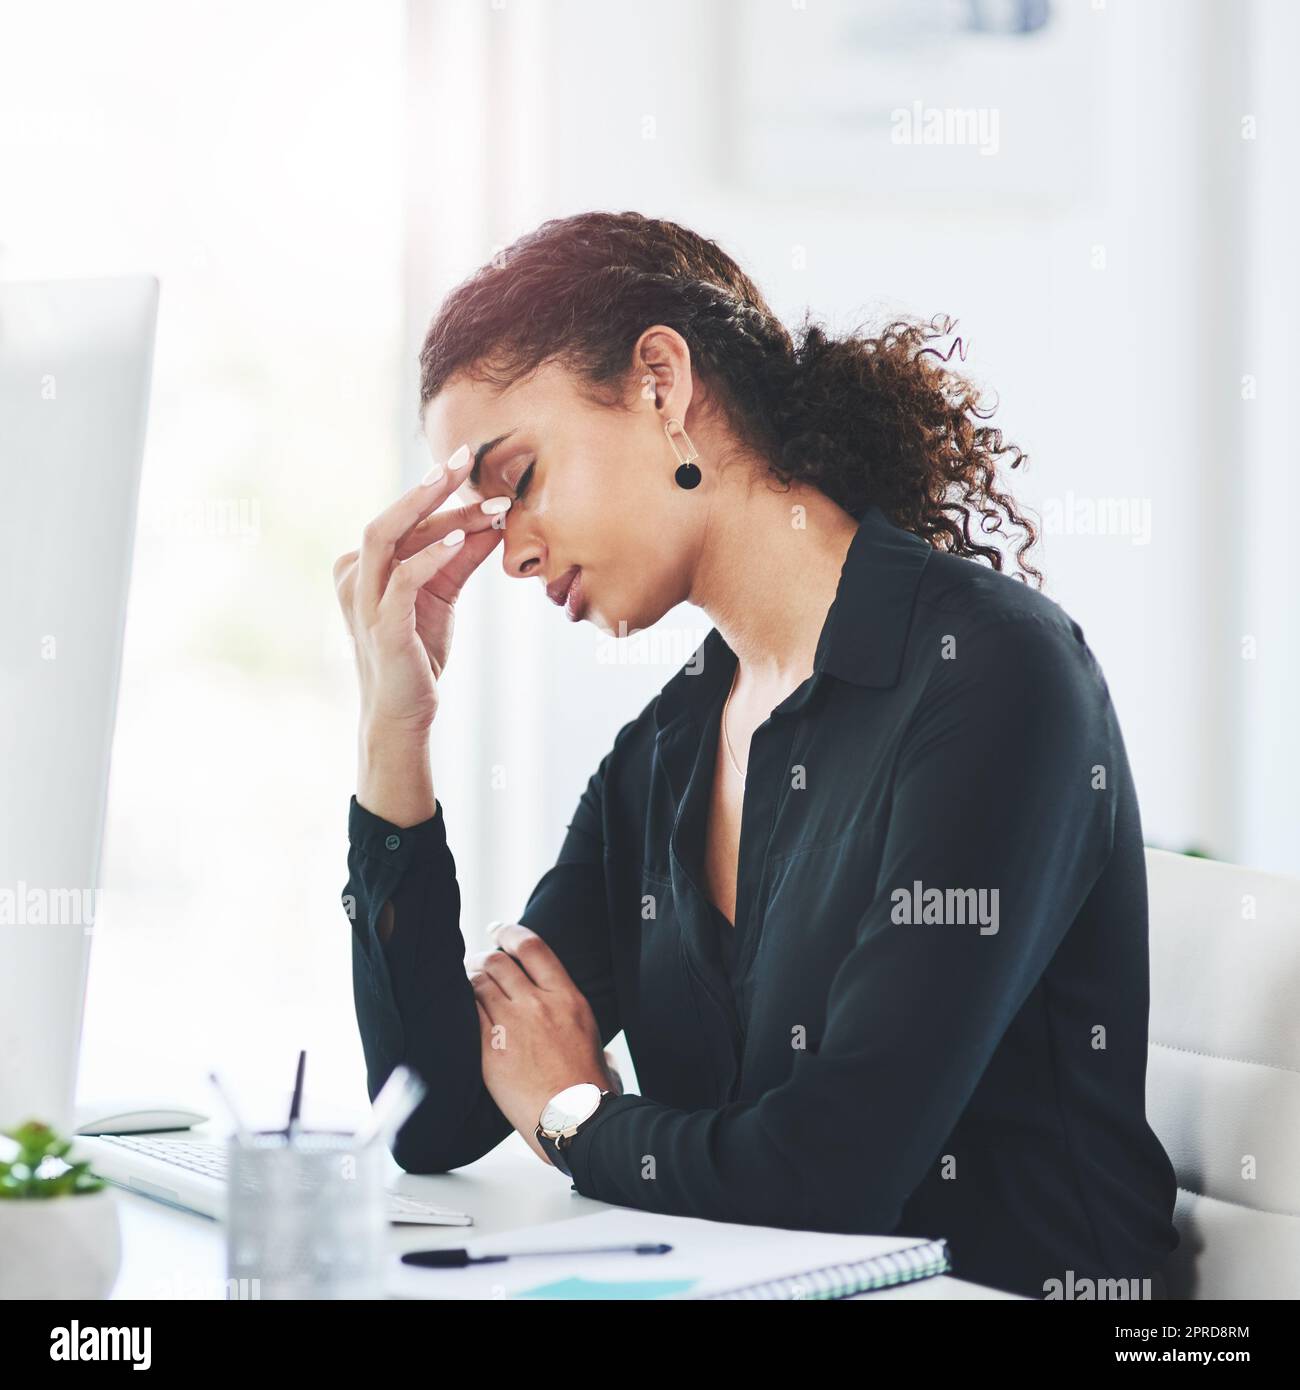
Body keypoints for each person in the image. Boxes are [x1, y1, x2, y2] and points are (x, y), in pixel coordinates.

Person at [332, 211, 1180, 1300]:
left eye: (522, 479)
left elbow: (835, 1172)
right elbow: (435, 1109)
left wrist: (575, 1113)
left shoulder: (992, 672)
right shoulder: (669, 748)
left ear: (659, 381)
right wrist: (391, 731)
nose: (513, 549)